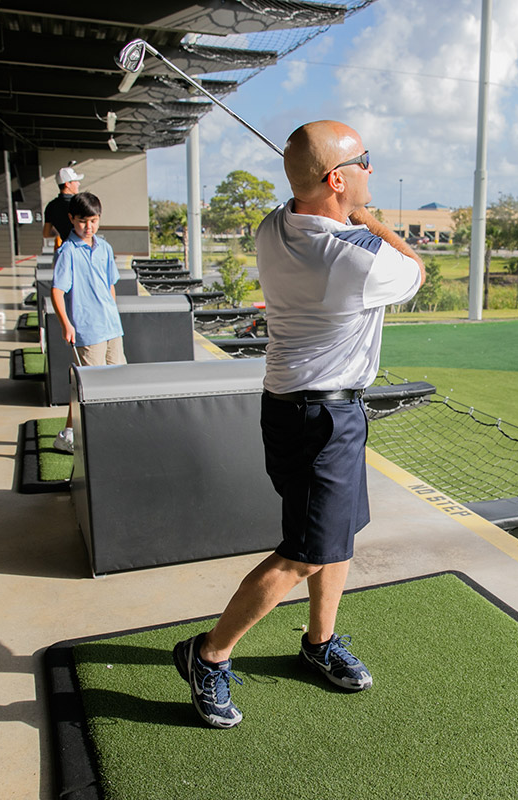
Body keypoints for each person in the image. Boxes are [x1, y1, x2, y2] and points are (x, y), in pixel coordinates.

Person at [172, 120, 424, 728]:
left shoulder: (275, 225)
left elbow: (307, 204)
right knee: (305, 554)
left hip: (307, 410)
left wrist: (338, 204)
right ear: (337, 179)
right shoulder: (348, 259)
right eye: (364, 160)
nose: (372, 166)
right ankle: (207, 655)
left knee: (336, 537)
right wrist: (366, 218)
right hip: (319, 418)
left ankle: (318, 640)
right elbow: (414, 267)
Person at [50, 191, 124, 452]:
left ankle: (92, 431)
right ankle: (72, 436)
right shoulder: (67, 251)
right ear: (71, 219)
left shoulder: (104, 247)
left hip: (112, 327)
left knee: (117, 380)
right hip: (88, 329)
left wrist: (113, 312)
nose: (88, 226)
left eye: (93, 220)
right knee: (91, 386)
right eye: (82, 221)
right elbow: (57, 291)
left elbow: (110, 285)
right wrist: (66, 324)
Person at [42, 166, 83, 251]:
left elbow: (46, 233)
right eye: (75, 181)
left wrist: (60, 233)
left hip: (64, 249)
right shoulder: (79, 203)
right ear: (67, 184)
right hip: (81, 247)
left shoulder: (51, 206)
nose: (78, 183)